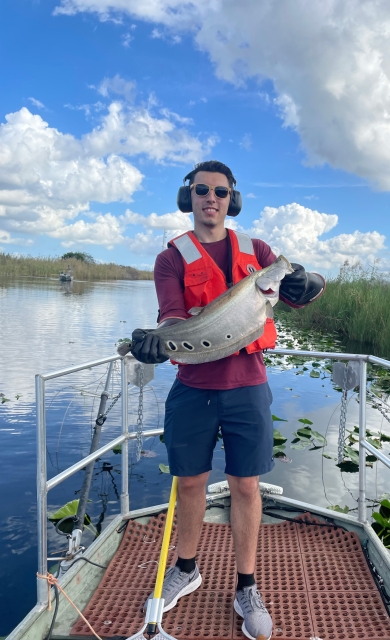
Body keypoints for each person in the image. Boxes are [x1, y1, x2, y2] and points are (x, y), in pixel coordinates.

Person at [131, 160, 325, 640]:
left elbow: (299, 289)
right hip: (194, 390)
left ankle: (246, 586)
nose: (211, 198)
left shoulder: (256, 251)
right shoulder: (170, 258)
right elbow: (174, 321)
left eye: (220, 191)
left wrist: (309, 281)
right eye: (202, 190)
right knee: (191, 484)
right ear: (190, 197)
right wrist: (155, 341)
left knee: (245, 487)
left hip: (248, 387)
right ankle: (187, 568)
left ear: (232, 199)